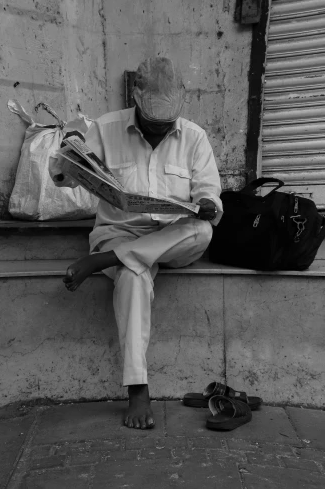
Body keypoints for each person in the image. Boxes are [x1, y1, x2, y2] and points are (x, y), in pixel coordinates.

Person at [50, 56, 223, 429]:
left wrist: (207, 204)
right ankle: (138, 390)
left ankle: (103, 260)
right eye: (151, 124)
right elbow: (66, 178)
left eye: (166, 125)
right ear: (136, 100)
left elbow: (209, 190)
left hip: (174, 238)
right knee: (131, 276)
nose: (159, 133)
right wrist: (69, 159)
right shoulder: (105, 127)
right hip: (120, 232)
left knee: (203, 232)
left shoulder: (194, 137)